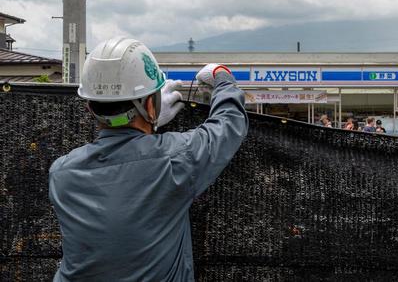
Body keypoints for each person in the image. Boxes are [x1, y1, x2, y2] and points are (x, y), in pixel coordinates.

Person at [48, 37, 249, 281]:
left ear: (90, 108)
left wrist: (147, 122)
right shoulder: (174, 160)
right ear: (151, 106)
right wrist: (222, 77)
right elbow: (229, 124)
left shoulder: (61, 174)